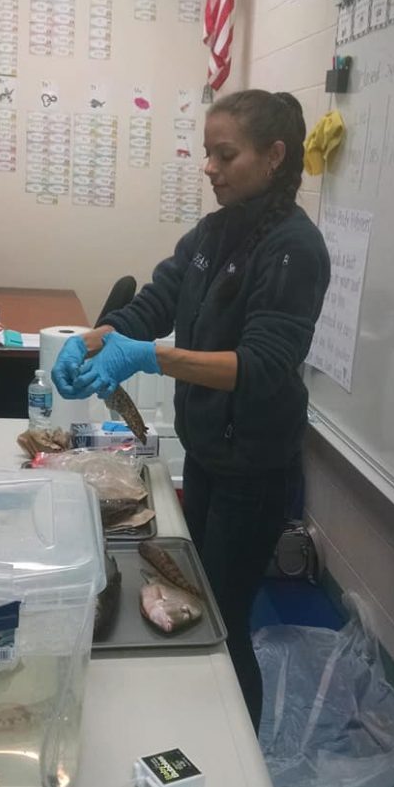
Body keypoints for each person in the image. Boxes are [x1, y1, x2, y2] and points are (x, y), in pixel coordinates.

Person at [52, 89, 331, 733]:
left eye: (225, 154)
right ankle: (194, 727)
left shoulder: (294, 250)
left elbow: (259, 367)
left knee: (224, 615)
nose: (208, 166)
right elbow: (154, 303)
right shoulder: (213, 230)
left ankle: (240, 763)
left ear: (274, 157)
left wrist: (148, 358)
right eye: (207, 152)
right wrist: (91, 338)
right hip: (208, 454)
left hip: (254, 469)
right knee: (188, 594)